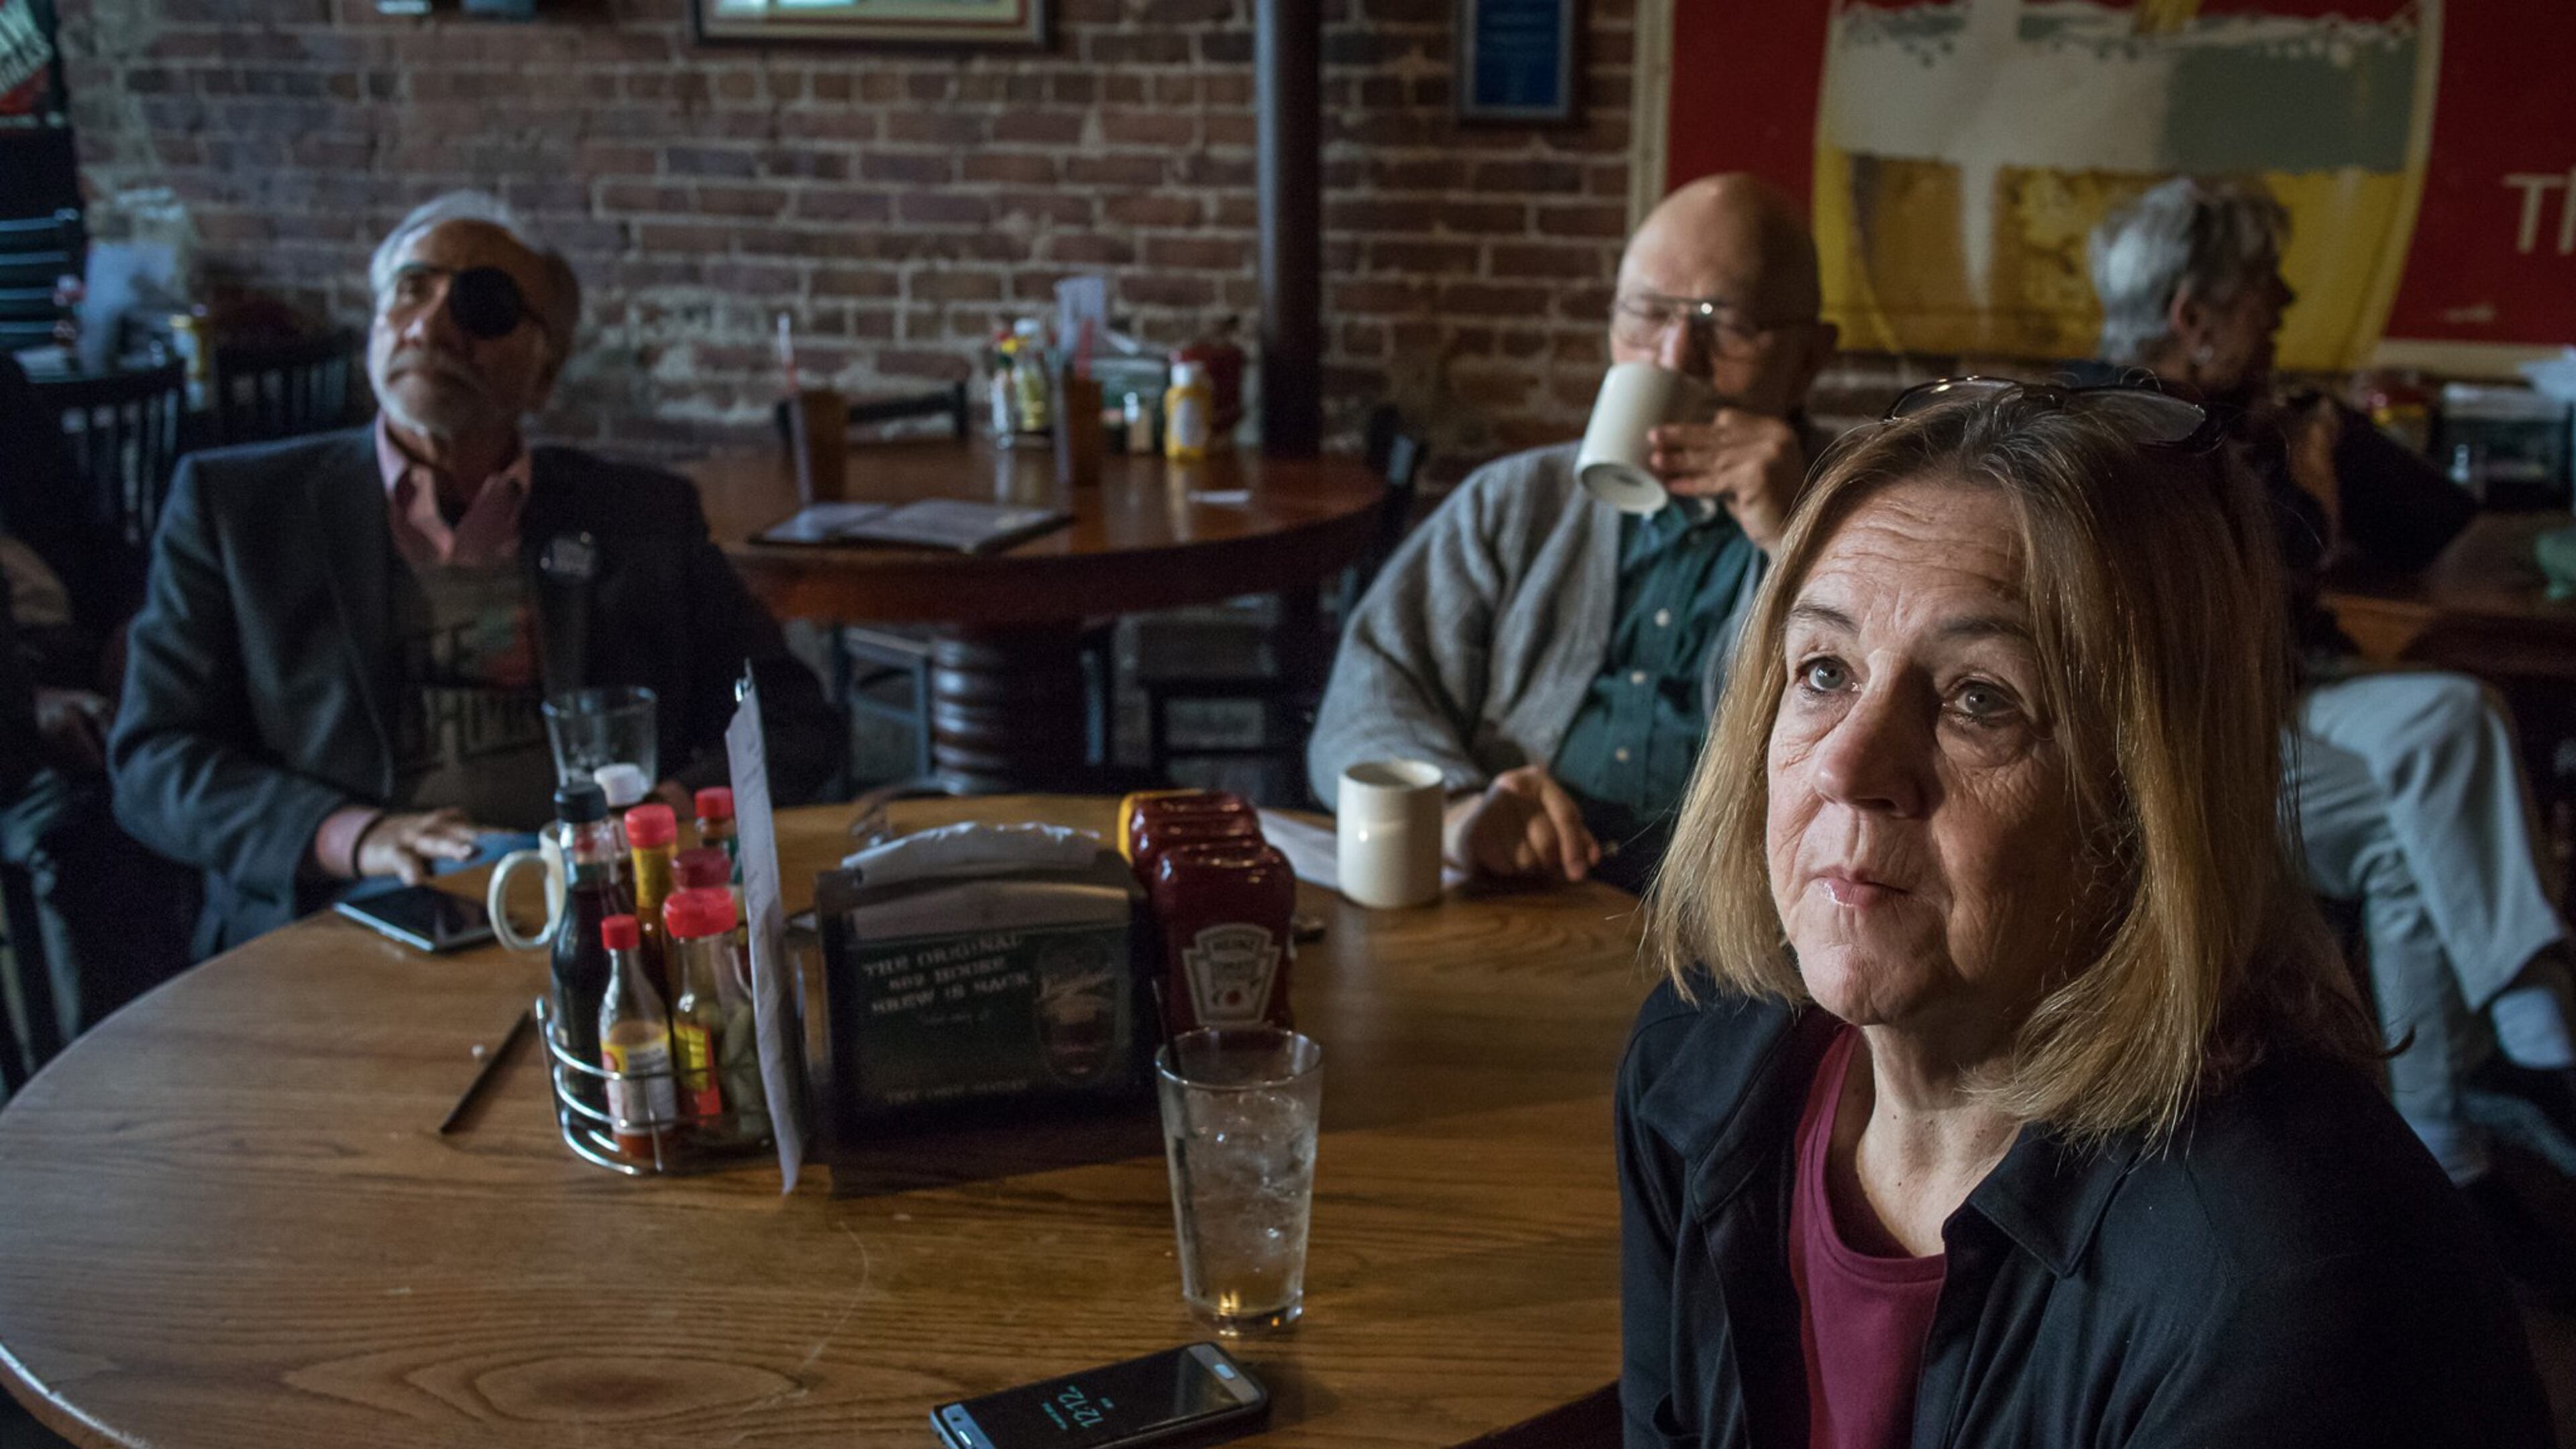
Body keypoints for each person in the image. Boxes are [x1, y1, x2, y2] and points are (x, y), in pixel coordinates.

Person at [1619, 383, 2550, 1448]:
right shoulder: (1692, 1068)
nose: (1845, 762)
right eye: (1823, 670)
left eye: (1981, 698)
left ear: (2145, 805)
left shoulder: (2287, 1281)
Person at [111, 191, 838, 956]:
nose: (430, 326)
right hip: (340, 921)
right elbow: (155, 760)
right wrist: (354, 838)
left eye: (481, 306)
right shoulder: (238, 512)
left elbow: (787, 718)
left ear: (545, 368)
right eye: (409, 291)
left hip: (606, 917)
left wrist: (673, 811)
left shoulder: (641, 517)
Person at [2086, 177, 2576, 1267]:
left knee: (2450, 733)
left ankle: (2465, 1131)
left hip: (2286, 700)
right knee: (2444, 741)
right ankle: (2514, 1068)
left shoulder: (2245, 413)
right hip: (2182, 733)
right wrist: (2310, 496)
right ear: (2193, 317)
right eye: (2265, 288)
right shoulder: (2120, 426)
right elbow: (2239, 601)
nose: (2286, 301)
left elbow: (2445, 521)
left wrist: (2335, 441)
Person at [1306, 174, 1837, 894]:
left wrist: (1795, 540)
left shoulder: (1864, 520)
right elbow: (1369, 695)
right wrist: (1463, 813)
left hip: (1747, 915)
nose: (1675, 357)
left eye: (1726, 323)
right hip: (1529, 892)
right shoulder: (1518, 501)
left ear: (1809, 358)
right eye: (1646, 315)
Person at [0, 352, 195, 1042]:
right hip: (17, 715)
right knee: (94, 828)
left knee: (199, 759)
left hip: (75, 644)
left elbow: (96, 527)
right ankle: (120, 1074)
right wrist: (29, 701)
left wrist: (128, 624)